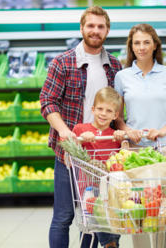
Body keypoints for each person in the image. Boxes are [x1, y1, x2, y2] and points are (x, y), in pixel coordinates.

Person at [39, 5, 122, 248]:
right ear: (82, 28)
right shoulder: (63, 62)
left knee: (100, 215)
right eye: (91, 26)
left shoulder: (115, 66)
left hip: (103, 154)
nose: (95, 31)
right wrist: (65, 132)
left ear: (107, 30)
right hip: (70, 151)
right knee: (64, 216)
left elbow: (118, 110)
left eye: (101, 26)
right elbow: (47, 101)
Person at [114, 23, 166, 248]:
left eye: (146, 42)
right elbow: (117, 117)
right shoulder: (122, 76)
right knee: (137, 208)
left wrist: (162, 130)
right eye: (137, 43)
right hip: (134, 152)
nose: (142, 47)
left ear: (155, 45)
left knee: (162, 209)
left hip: (162, 150)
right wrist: (127, 131)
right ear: (131, 47)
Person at [72, 87, 126, 248]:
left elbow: (124, 159)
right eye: (100, 109)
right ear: (93, 109)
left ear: (115, 115)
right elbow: (71, 152)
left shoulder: (115, 134)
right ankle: (110, 244)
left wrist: (123, 142)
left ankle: (112, 243)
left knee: (114, 211)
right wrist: (81, 140)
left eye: (109, 111)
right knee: (98, 206)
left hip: (111, 188)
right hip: (89, 186)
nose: (103, 114)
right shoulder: (80, 129)